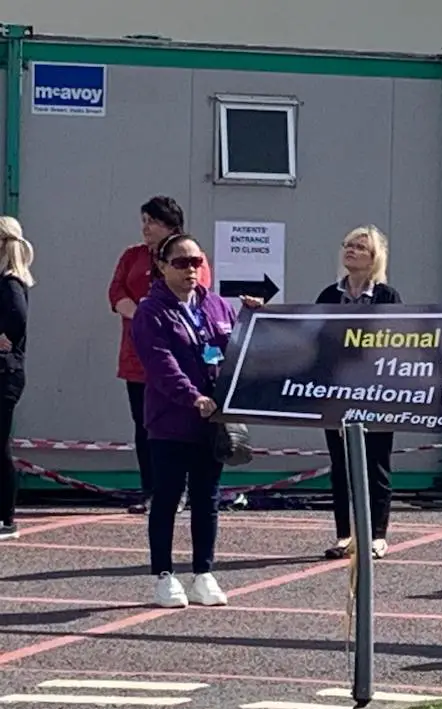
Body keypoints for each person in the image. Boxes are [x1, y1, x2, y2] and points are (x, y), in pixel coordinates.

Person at [242, 224, 402, 560]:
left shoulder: (388, 297)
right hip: (336, 394)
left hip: (376, 394)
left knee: (377, 464)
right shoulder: (330, 295)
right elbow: (305, 331)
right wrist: (264, 313)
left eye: (359, 246)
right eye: (347, 245)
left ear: (374, 257)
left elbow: (400, 342)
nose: (350, 251)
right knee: (341, 465)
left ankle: (377, 535)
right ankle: (345, 534)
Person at [131, 233, 235, 608]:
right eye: (180, 262)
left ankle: (203, 572)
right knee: (168, 498)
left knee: (208, 498)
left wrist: (257, 317)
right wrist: (193, 398)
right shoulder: (151, 311)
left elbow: (236, 351)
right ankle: (164, 575)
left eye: (196, 262)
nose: (191, 270)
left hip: (212, 423)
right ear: (161, 267)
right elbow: (160, 364)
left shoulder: (218, 306)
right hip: (170, 421)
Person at [108, 197, 211, 514]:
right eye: (143, 221)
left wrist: (160, 320)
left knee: (185, 425)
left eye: (151, 221)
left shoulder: (193, 257)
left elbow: (198, 300)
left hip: (181, 361)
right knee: (145, 425)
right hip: (138, 357)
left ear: (170, 225)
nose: (145, 227)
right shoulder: (133, 255)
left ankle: (188, 491)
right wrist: (142, 316)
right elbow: (116, 292)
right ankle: (151, 490)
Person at [0, 218, 35, 541]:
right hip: (7, 372)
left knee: (0, 446)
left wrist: (5, 336)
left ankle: (6, 518)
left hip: (5, 374)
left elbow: (16, 322)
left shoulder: (10, 283)